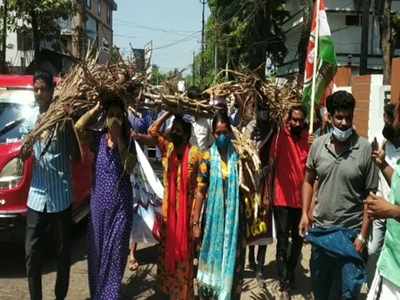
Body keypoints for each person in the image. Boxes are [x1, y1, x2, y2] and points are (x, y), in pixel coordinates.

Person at [299, 91, 379, 300]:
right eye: (339, 118)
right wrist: (305, 214)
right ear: (330, 117)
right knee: (322, 291)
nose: (344, 123)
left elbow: (370, 197)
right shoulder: (318, 145)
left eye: (348, 118)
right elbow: (308, 180)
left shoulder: (364, 149)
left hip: (351, 235)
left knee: (347, 293)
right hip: (322, 233)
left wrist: (362, 235)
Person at [23, 71, 81, 300]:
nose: (39, 93)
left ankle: (60, 297)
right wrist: (24, 149)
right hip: (37, 196)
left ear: (51, 90)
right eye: (35, 89)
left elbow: (76, 156)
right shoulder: (30, 119)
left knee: (63, 253)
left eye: (43, 89)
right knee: (32, 253)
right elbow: (23, 154)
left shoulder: (63, 119)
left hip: (60, 197)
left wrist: (70, 124)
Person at [76, 98, 136, 300]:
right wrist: (96, 109)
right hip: (98, 209)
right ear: (105, 118)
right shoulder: (97, 139)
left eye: (119, 116)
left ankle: (110, 296)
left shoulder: (129, 142)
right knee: (96, 255)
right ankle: (98, 295)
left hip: (120, 210)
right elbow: (78, 127)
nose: (115, 120)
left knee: (116, 254)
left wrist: (119, 140)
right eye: (111, 115)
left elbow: (130, 168)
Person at [149, 111, 204, 300]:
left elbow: (200, 189)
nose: (175, 133)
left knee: (184, 261)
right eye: (173, 130)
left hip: (186, 221)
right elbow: (152, 130)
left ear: (187, 134)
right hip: (168, 220)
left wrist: (196, 221)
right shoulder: (168, 148)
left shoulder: (196, 155)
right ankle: (170, 293)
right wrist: (169, 113)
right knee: (167, 260)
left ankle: (183, 295)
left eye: (179, 131)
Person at [196, 111, 245, 300]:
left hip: (235, 222)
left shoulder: (240, 156)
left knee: (235, 265)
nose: (221, 137)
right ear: (212, 133)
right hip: (213, 221)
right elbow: (200, 192)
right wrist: (195, 223)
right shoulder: (207, 158)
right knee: (211, 263)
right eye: (217, 133)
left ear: (231, 132)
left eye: (225, 132)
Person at [267, 105, 310, 294]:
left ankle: (291, 270)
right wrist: (268, 193)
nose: (297, 123)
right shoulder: (279, 137)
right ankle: (284, 281)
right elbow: (272, 165)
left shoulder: (309, 140)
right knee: (283, 242)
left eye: (300, 120)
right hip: (281, 199)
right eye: (294, 119)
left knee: (298, 242)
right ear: (288, 119)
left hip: (301, 201)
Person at [367, 103, 400, 286]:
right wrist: (382, 164)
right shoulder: (384, 145)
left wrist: (392, 211)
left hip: (396, 276)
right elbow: (398, 183)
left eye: (394, 117)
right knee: (372, 251)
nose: (391, 122)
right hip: (382, 212)